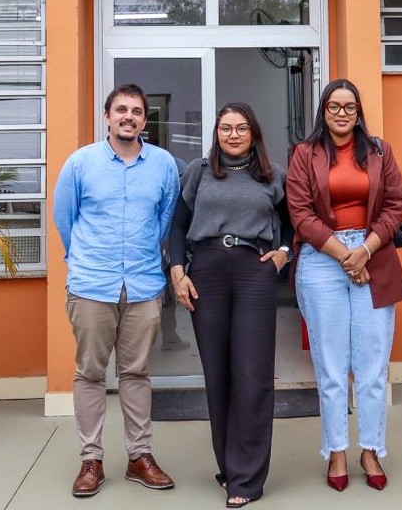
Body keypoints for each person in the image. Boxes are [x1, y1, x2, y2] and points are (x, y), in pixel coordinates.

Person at [53, 83, 181, 499]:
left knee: (137, 372)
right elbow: (64, 218)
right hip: (92, 283)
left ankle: (139, 457)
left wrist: (144, 257)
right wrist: (86, 259)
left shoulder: (163, 165)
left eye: (137, 111)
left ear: (146, 120)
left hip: (143, 283)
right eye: (121, 109)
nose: (129, 116)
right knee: (90, 372)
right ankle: (91, 460)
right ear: (107, 117)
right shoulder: (81, 163)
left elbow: (165, 221)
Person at [286, 78, 402, 493]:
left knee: (373, 367)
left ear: (358, 111)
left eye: (349, 106)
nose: (342, 113)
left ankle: (370, 448)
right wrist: (344, 254)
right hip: (322, 259)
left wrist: (366, 251)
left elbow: (395, 205)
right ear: (323, 111)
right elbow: (300, 213)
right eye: (334, 106)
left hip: (374, 255)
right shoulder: (305, 154)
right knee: (332, 367)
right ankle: (336, 450)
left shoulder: (379, 151)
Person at [168, 102, 292, 508]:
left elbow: (292, 221)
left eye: (241, 128)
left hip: (253, 270)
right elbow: (179, 225)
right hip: (206, 272)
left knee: (253, 374)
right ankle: (229, 466)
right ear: (217, 132)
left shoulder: (273, 176)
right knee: (218, 374)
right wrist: (177, 271)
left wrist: (284, 252)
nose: (234, 134)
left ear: (253, 133)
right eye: (226, 128)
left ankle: (248, 477)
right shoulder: (198, 172)